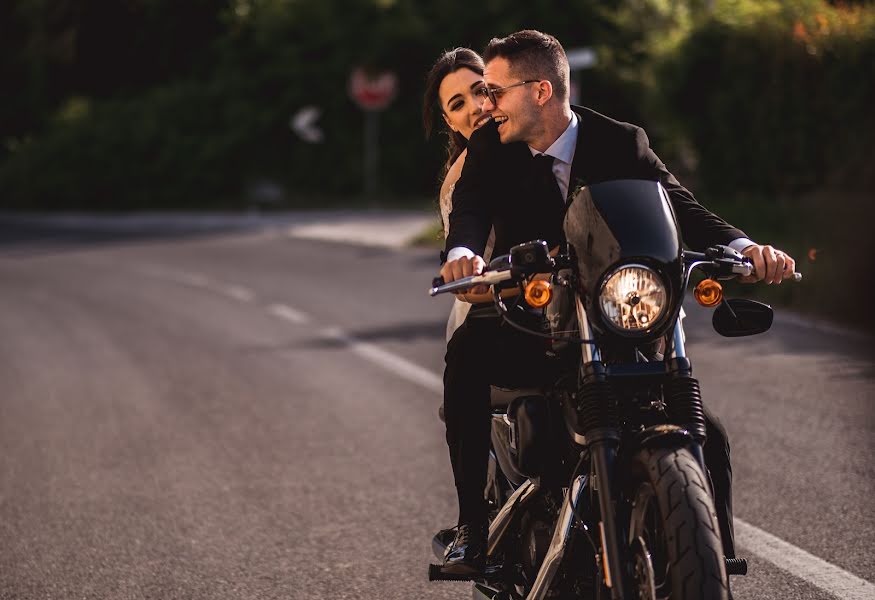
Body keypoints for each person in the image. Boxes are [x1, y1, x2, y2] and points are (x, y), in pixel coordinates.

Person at [436, 30, 798, 579]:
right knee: (467, 354)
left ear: (539, 91)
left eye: (495, 91)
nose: (486, 106)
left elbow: (679, 205)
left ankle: (708, 554)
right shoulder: (490, 150)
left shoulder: (621, 142)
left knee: (710, 431)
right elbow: (470, 212)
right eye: (477, 94)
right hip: (533, 322)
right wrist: (463, 253)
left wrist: (746, 248)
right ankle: (473, 528)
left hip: (613, 319)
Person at [422, 48, 495, 343]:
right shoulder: (461, 178)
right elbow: (464, 278)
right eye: (458, 104)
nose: (476, 106)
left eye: (481, 90)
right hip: (486, 319)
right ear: (450, 121)